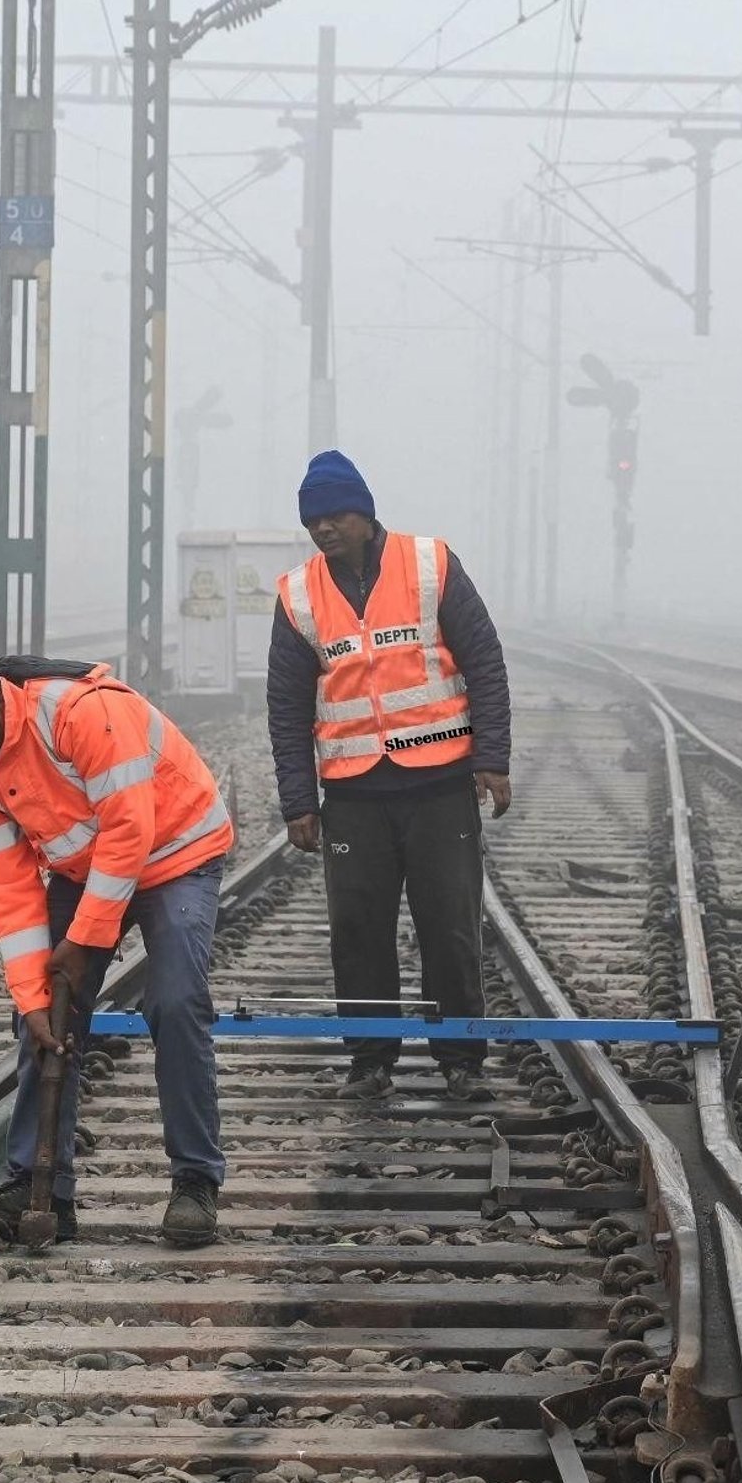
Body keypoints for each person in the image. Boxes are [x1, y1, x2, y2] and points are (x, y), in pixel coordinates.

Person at [0, 646, 233, 1246]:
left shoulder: (80, 712)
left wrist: (84, 940)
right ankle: (39, 1187)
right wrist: (33, 996)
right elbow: (7, 891)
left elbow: (130, 828)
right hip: (86, 869)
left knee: (176, 1000)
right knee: (45, 1018)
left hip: (177, 853)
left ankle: (195, 1181)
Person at [266, 449, 512, 1103]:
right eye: (312, 519)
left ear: (366, 513)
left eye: (335, 514)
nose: (323, 528)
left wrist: (492, 759)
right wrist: (299, 800)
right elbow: (286, 706)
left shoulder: (431, 564)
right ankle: (370, 1061)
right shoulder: (298, 596)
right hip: (353, 795)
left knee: (451, 929)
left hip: (438, 786)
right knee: (358, 933)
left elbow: (484, 661)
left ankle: (462, 1061)